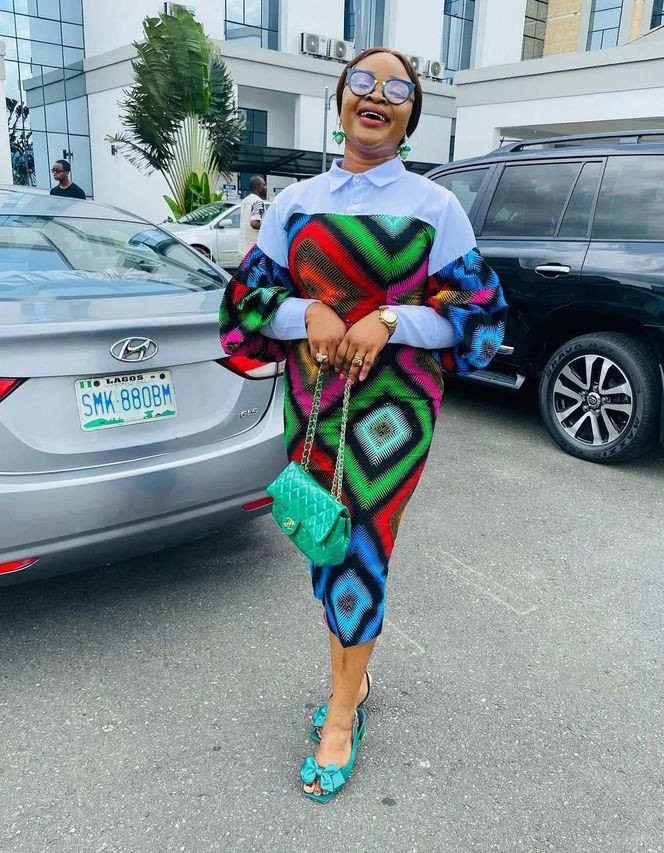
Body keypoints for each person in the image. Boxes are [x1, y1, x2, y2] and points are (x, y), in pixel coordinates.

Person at [219, 47, 507, 803]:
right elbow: (244, 307)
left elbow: (480, 319)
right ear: (340, 98)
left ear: (412, 115)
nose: (377, 96)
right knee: (325, 541)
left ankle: (343, 710)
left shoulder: (435, 207)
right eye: (362, 82)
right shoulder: (295, 204)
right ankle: (355, 671)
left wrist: (390, 319)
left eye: (397, 89)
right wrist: (306, 310)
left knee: (363, 547)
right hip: (314, 407)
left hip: (395, 414)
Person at [238, 175, 267, 258]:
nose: (266, 187)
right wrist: (269, 226)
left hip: (243, 248)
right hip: (254, 250)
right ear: (258, 187)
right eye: (264, 185)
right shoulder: (258, 201)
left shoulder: (246, 200)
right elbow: (254, 223)